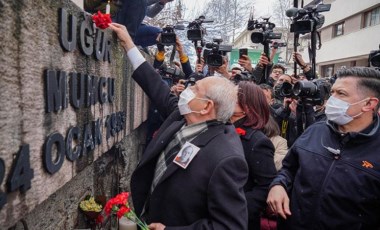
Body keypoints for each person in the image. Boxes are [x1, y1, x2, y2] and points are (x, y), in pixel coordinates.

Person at [109, 23, 249, 230]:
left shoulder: (226, 158)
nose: (188, 87)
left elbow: (230, 226)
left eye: (195, 88)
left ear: (206, 107)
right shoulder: (182, 117)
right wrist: (129, 45)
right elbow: (154, 85)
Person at [267, 67, 380, 229]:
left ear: (369, 103)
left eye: (341, 94)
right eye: (332, 92)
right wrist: (278, 185)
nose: (331, 99)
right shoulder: (315, 131)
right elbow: (288, 169)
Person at [230, 81, 277, 230]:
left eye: (234, 96)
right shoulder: (221, 127)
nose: (228, 98)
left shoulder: (257, 142)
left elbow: (265, 187)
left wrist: (234, 209)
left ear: (247, 107)